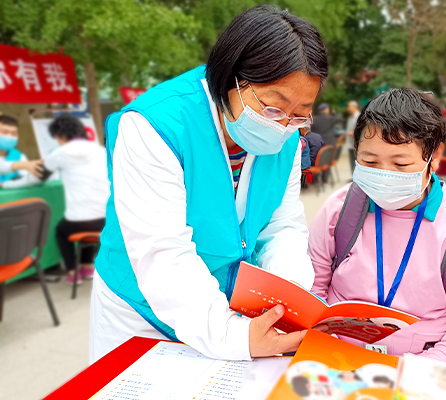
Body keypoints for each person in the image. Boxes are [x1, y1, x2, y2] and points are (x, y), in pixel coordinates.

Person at [90, 6, 328, 364]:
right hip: (140, 311)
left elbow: (281, 225)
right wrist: (232, 335)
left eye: (299, 113)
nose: (283, 126)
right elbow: (163, 254)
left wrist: (287, 292)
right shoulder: (154, 126)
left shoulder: (289, 138)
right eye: (272, 108)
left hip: (230, 307)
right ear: (230, 78)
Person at [309, 88, 446, 370]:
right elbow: (311, 292)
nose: (384, 175)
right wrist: (325, 348)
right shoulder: (339, 210)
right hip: (334, 360)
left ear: (434, 157)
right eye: (369, 162)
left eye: (401, 164)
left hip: (423, 371)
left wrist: (409, 373)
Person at [41, 115, 110, 284]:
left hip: (79, 222)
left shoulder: (59, 153)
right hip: (106, 219)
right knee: (89, 225)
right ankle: (88, 267)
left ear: (60, 135)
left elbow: (39, 176)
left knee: (62, 230)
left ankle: (73, 273)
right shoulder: (101, 151)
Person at [0, 115, 43, 188]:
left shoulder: (19, 156)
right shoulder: (23, 163)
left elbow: (26, 179)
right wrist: (25, 165)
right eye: (5, 132)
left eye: (14, 133)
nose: (9, 136)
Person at [346, 100, 361, 173]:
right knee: (351, 162)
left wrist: (353, 132)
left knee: (356, 162)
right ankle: (353, 176)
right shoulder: (350, 117)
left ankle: (357, 176)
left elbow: (362, 129)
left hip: (356, 145)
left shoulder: (359, 117)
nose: (348, 108)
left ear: (354, 107)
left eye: (349, 107)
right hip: (350, 144)